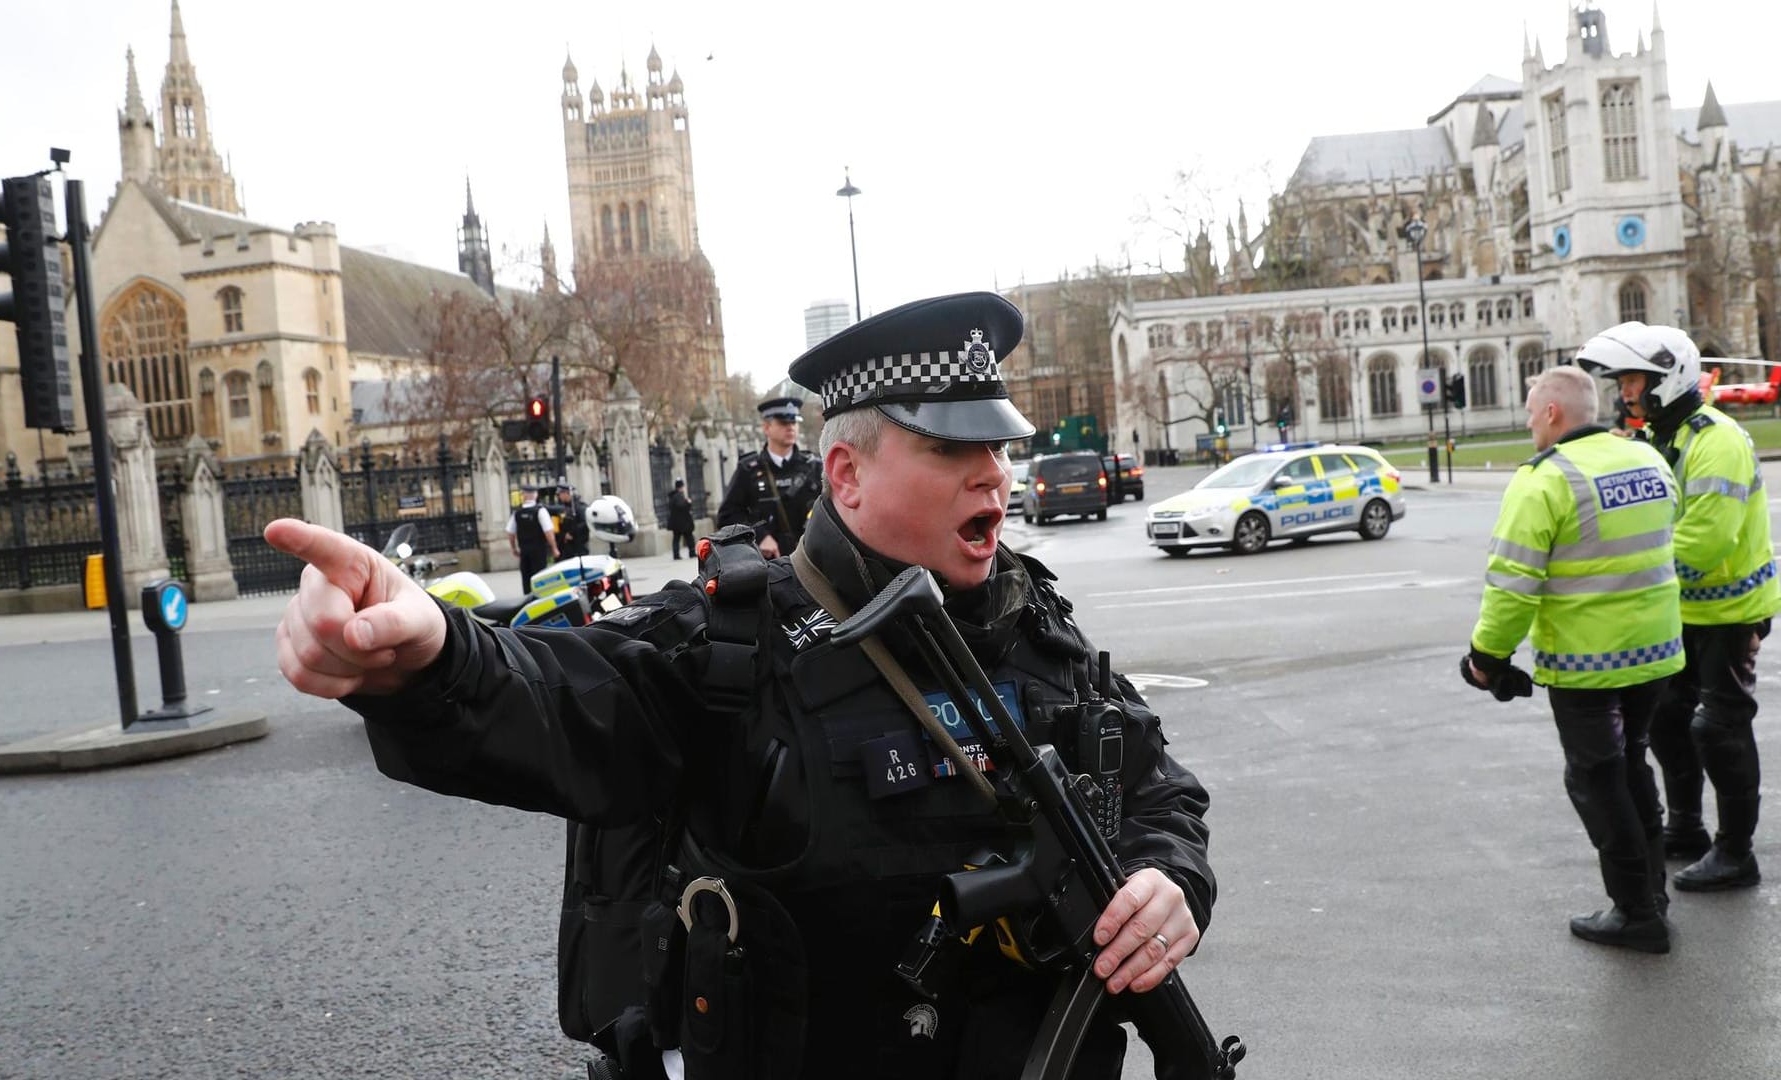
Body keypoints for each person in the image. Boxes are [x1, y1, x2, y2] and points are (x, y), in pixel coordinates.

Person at [264, 291, 1215, 1079]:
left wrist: (1168, 879)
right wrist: (430, 654)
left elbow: (1155, 787)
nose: (995, 478)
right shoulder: (734, 646)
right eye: (952, 451)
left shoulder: (1033, 623)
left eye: (999, 449)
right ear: (846, 475)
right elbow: (559, 698)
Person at [1461, 365, 1684, 953]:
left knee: (1597, 779)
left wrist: (1487, 658)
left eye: (1533, 411)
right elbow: (1667, 533)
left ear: (1553, 413)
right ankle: (1653, 895)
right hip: (1657, 653)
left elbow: (1511, 585)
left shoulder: (1544, 481)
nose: (1531, 422)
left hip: (1590, 665)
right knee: (1634, 766)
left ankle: (1636, 912)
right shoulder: (1647, 459)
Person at [1577, 322, 1781, 893]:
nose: (1626, 393)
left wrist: (1633, 575)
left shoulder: (1715, 440)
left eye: (1635, 380)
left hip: (1731, 609)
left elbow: (1705, 542)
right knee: (1669, 721)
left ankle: (1737, 852)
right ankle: (1687, 827)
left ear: (1669, 378)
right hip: (1683, 612)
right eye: (1622, 382)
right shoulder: (1658, 440)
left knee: (1720, 727)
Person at [717, 396, 823, 558]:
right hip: (768, 565)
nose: (790, 428)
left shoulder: (814, 467)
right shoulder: (748, 469)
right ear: (766, 428)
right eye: (783, 423)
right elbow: (727, 516)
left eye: (794, 422)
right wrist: (759, 535)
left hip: (811, 561)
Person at [507, 485, 558, 595]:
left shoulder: (517, 512)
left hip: (524, 550)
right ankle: (541, 600)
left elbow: (510, 533)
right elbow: (548, 532)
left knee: (526, 578)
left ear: (524, 495)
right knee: (539, 577)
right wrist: (554, 548)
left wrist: (513, 548)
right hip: (538, 551)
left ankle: (528, 600)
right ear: (535, 495)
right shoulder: (540, 511)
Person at [551, 481, 591, 560]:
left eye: (560, 494)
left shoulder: (580, 507)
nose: (559, 497)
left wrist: (572, 533)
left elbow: (584, 523)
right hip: (565, 546)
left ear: (566, 493)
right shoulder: (562, 507)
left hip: (578, 545)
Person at [667, 478, 696, 559]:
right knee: (689, 538)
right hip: (683, 522)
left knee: (676, 539)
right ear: (681, 487)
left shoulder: (672, 496)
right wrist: (688, 502)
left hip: (676, 522)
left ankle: (676, 554)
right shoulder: (678, 496)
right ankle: (691, 552)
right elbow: (682, 506)